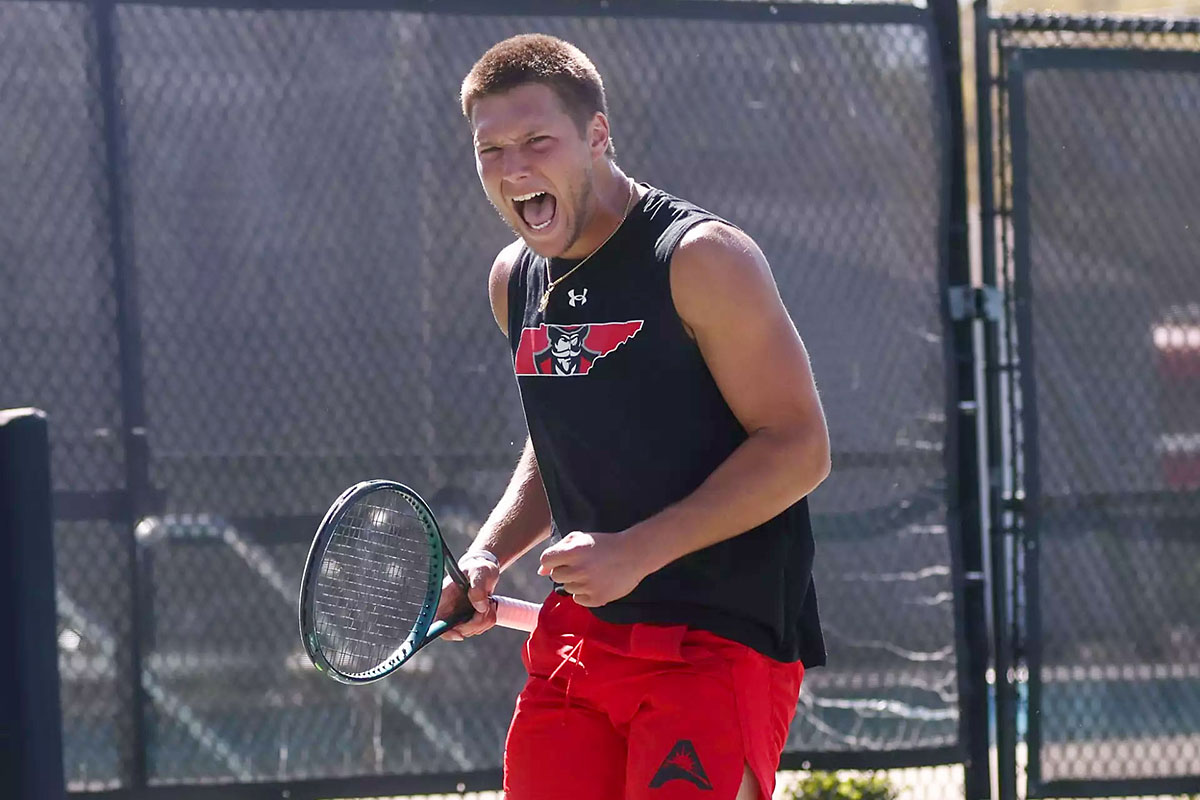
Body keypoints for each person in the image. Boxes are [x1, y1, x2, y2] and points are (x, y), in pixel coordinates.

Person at [438, 33, 830, 800]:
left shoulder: (699, 258)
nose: (514, 168)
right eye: (491, 150)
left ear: (596, 136)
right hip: (578, 647)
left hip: (714, 643)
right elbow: (563, 433)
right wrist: (488, 555)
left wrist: (638, 551)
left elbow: (799, 446)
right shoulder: (513, 279)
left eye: (537, 140)